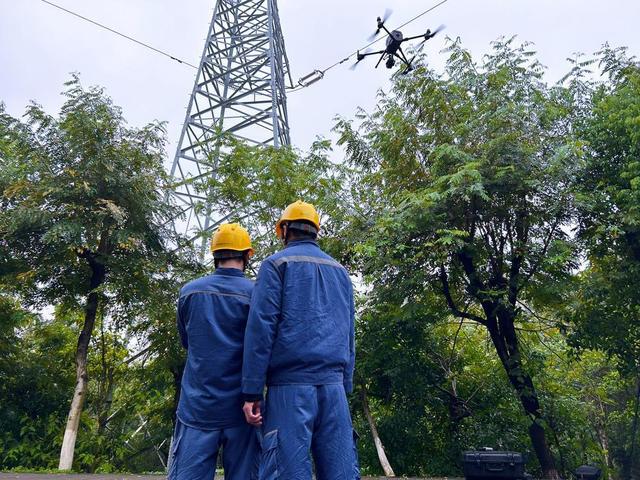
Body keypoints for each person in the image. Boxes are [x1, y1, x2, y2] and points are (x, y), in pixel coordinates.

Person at [241, 200, 359, 480]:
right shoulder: (340, 271)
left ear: (284, 231)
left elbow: (261, 329)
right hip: (334, 390)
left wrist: (251, 391)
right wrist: (345, 384)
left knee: (286, 471)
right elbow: (348, 331)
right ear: (315, 231)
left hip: (290, 389)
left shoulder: (276, 265)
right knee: (341, 472)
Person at [169, 223, 259, 480]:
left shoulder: (190, 292)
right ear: (246, 255)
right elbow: (262, 349)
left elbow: (188, 342)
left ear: (215, 255)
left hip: (197, 407)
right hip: (243, 409)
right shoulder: (257, 294)